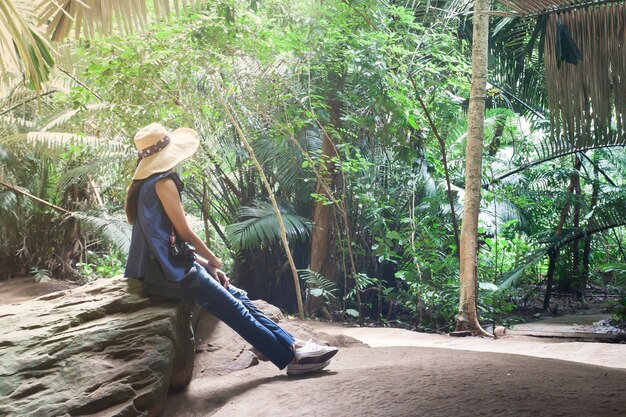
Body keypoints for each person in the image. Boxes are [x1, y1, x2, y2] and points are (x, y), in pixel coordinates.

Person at [123, 123, 338, 375]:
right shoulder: (162, 183)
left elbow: (166, 242)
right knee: (234, 309)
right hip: (169, 273)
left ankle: (294, 344)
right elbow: (183, 232)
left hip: (169, 266)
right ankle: (291, 359)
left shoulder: (145, 186)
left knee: (238, 296)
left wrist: (205, 265)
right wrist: (212, 258)